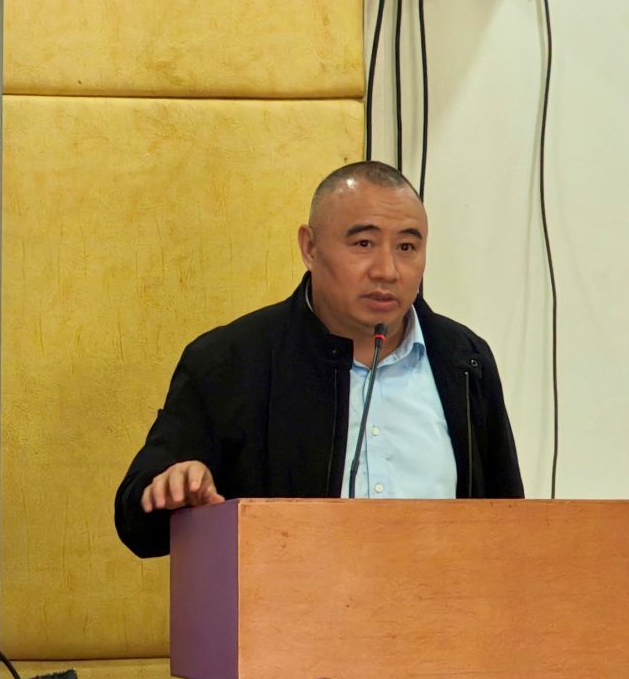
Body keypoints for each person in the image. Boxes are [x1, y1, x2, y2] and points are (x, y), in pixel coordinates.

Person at [113, 160, 522, 559]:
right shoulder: (230, 362)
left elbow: (512, 525)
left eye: (407, 247)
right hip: (283, 603)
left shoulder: (463, 361)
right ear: (309, 248)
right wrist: (174, 491)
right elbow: (137, 526)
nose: (387, 270)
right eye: (363, 244)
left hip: (444, 601)